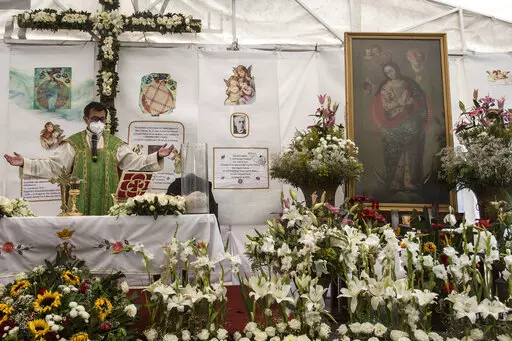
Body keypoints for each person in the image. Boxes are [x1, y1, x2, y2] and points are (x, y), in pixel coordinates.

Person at [4, 101, 174, 215]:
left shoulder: (115, 144)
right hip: (78, 204)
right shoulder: (73, 144)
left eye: (102, 119)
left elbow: (135, 162)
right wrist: (24, 163)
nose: (99, 122)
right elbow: (54, 166)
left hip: (110, 203)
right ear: (86, 119)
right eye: (94, 119)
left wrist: (157, 155)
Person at [370, 62, 430, 193]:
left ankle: (410, 181)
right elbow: (386, 106)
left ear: (396, 69)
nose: (391, 74)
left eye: (391, 70)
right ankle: (396, 182)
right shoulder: (385, 87)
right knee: (396, 149)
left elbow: (419, 98)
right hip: (393, 122)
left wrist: (412, 102)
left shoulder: (409, 83)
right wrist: (400, 103)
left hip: (411, 120)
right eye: (387, 73)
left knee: (412, 149)